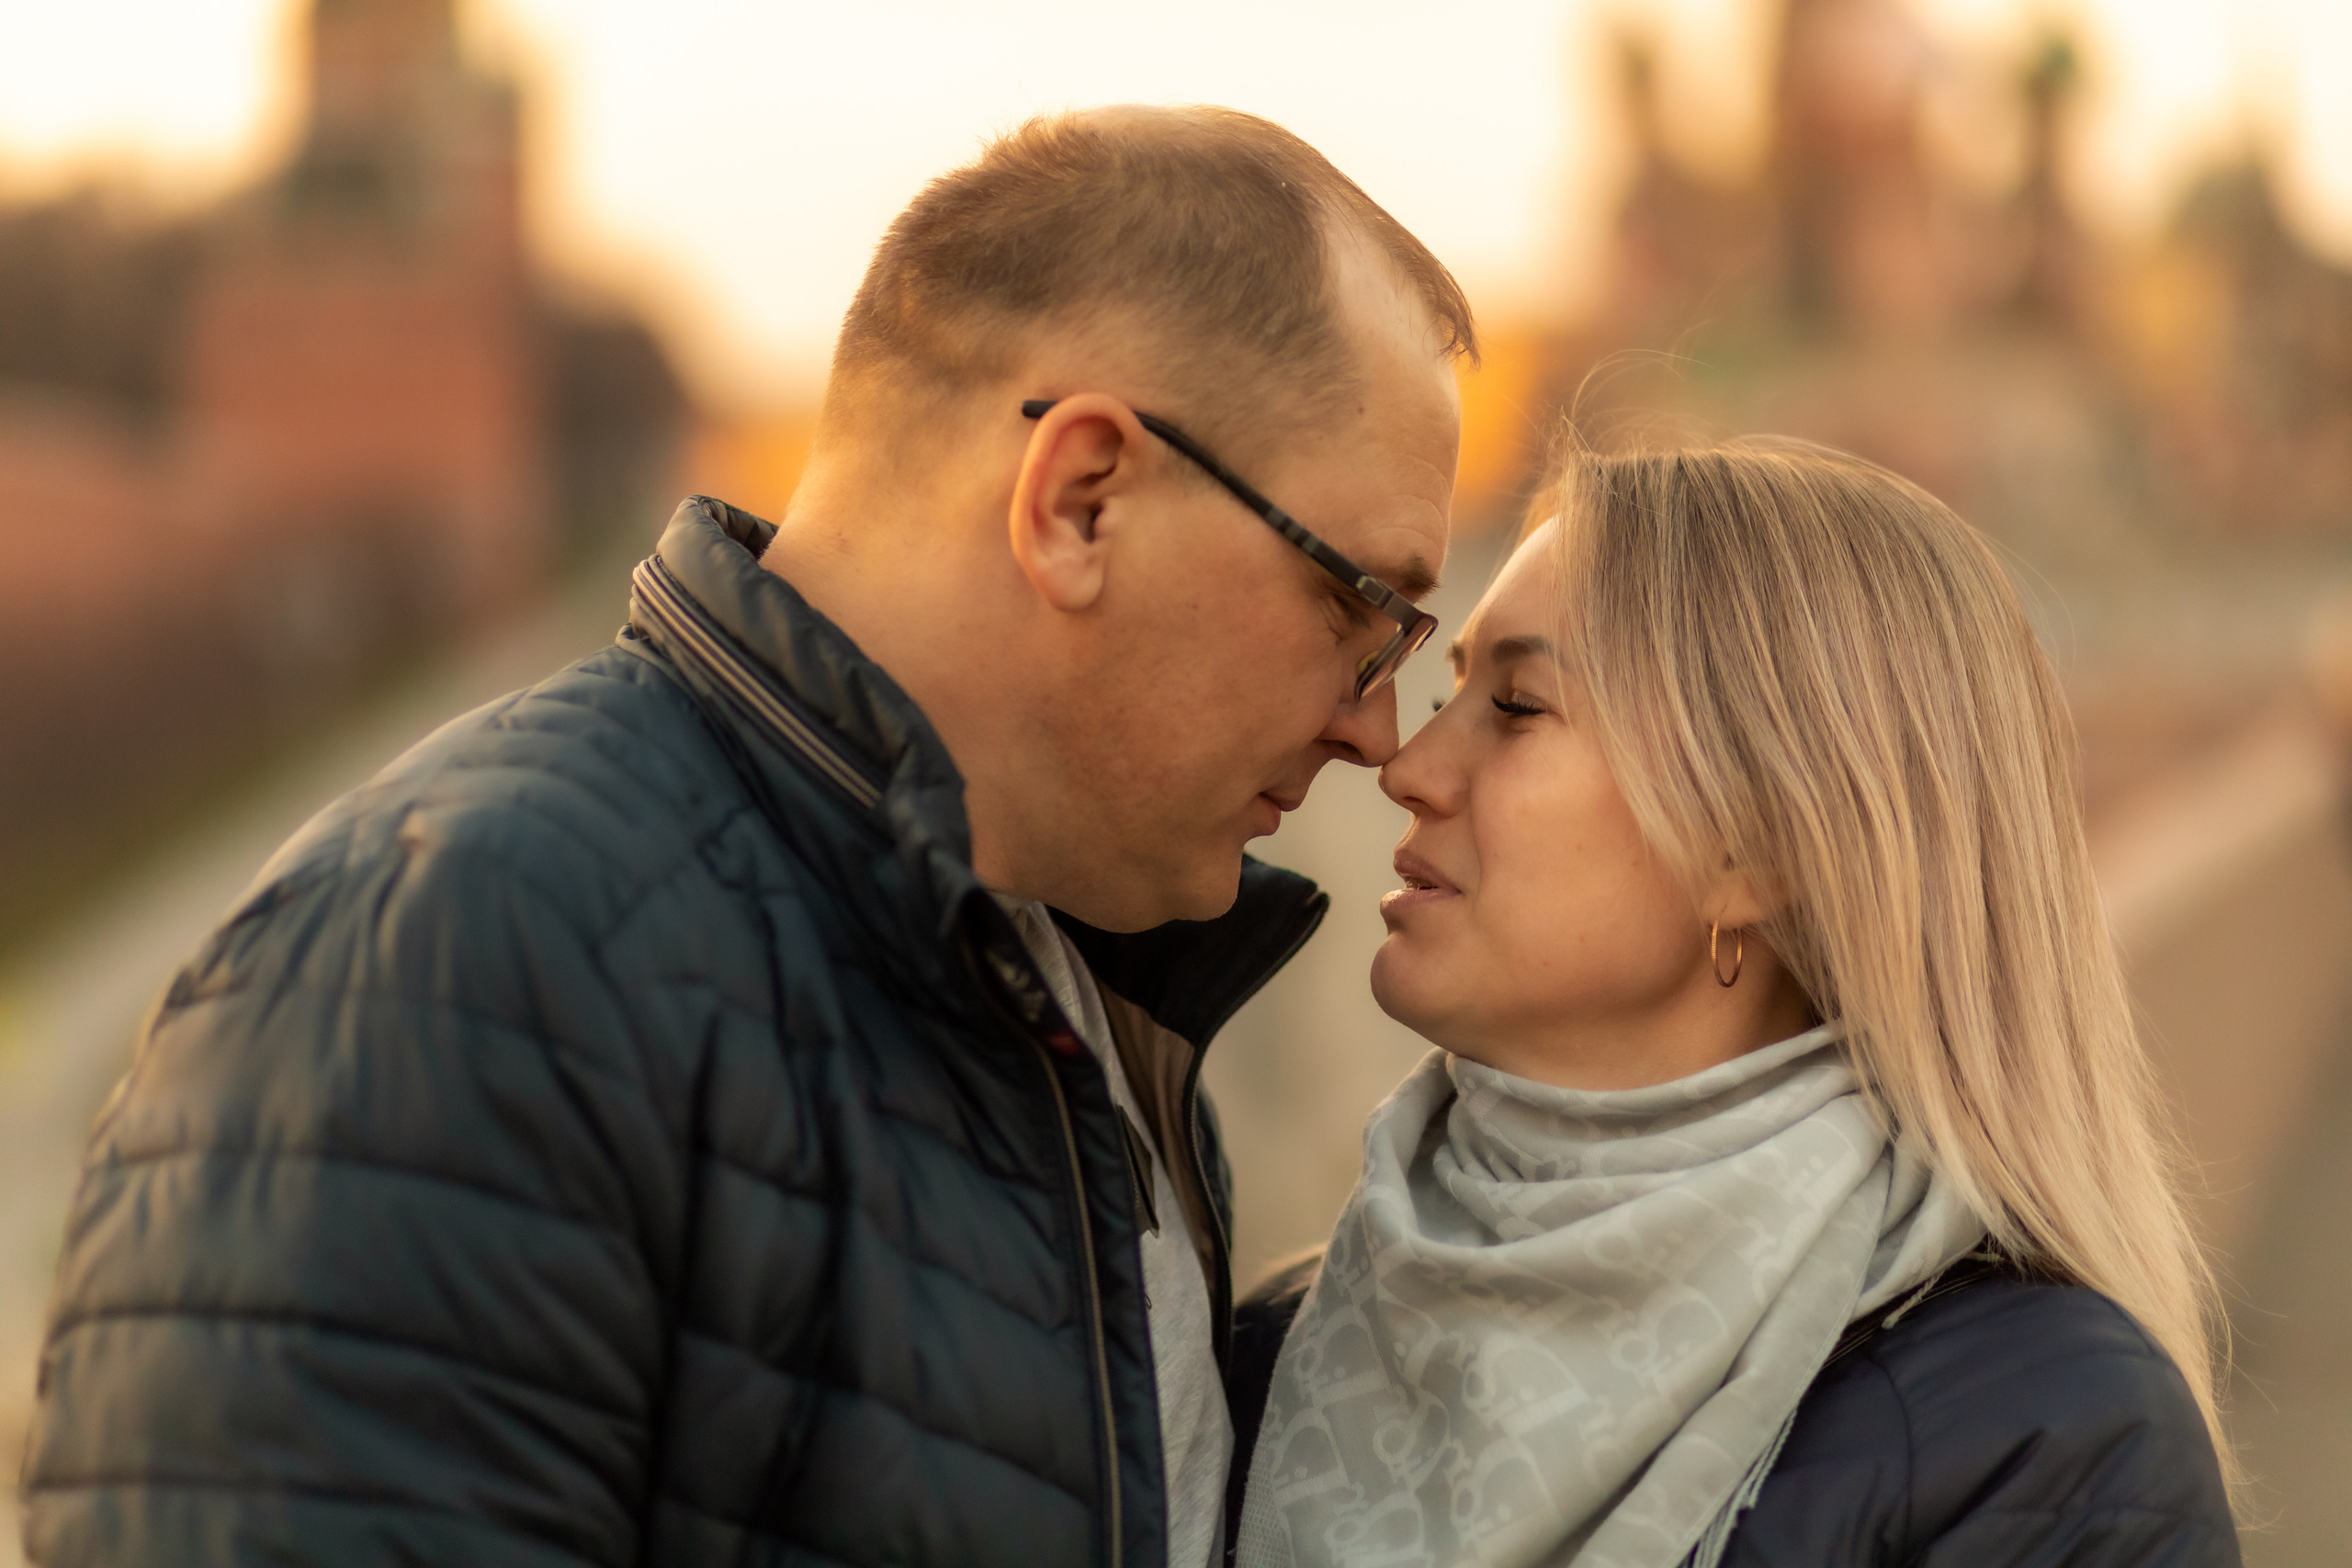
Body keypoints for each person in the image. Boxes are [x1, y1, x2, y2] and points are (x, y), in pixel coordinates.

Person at [20, 107, 1475, 1568]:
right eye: (1361, 610)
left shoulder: (1086, 1017)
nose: (1380, 728)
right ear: (1082, 500)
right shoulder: (462, 968)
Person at [1226, 442, 2242, 1567]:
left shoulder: (2045, 1449)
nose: (1407, 765)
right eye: (1442, 690)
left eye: (1514, 705)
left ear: (1750, 848)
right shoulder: (1277, 1343)